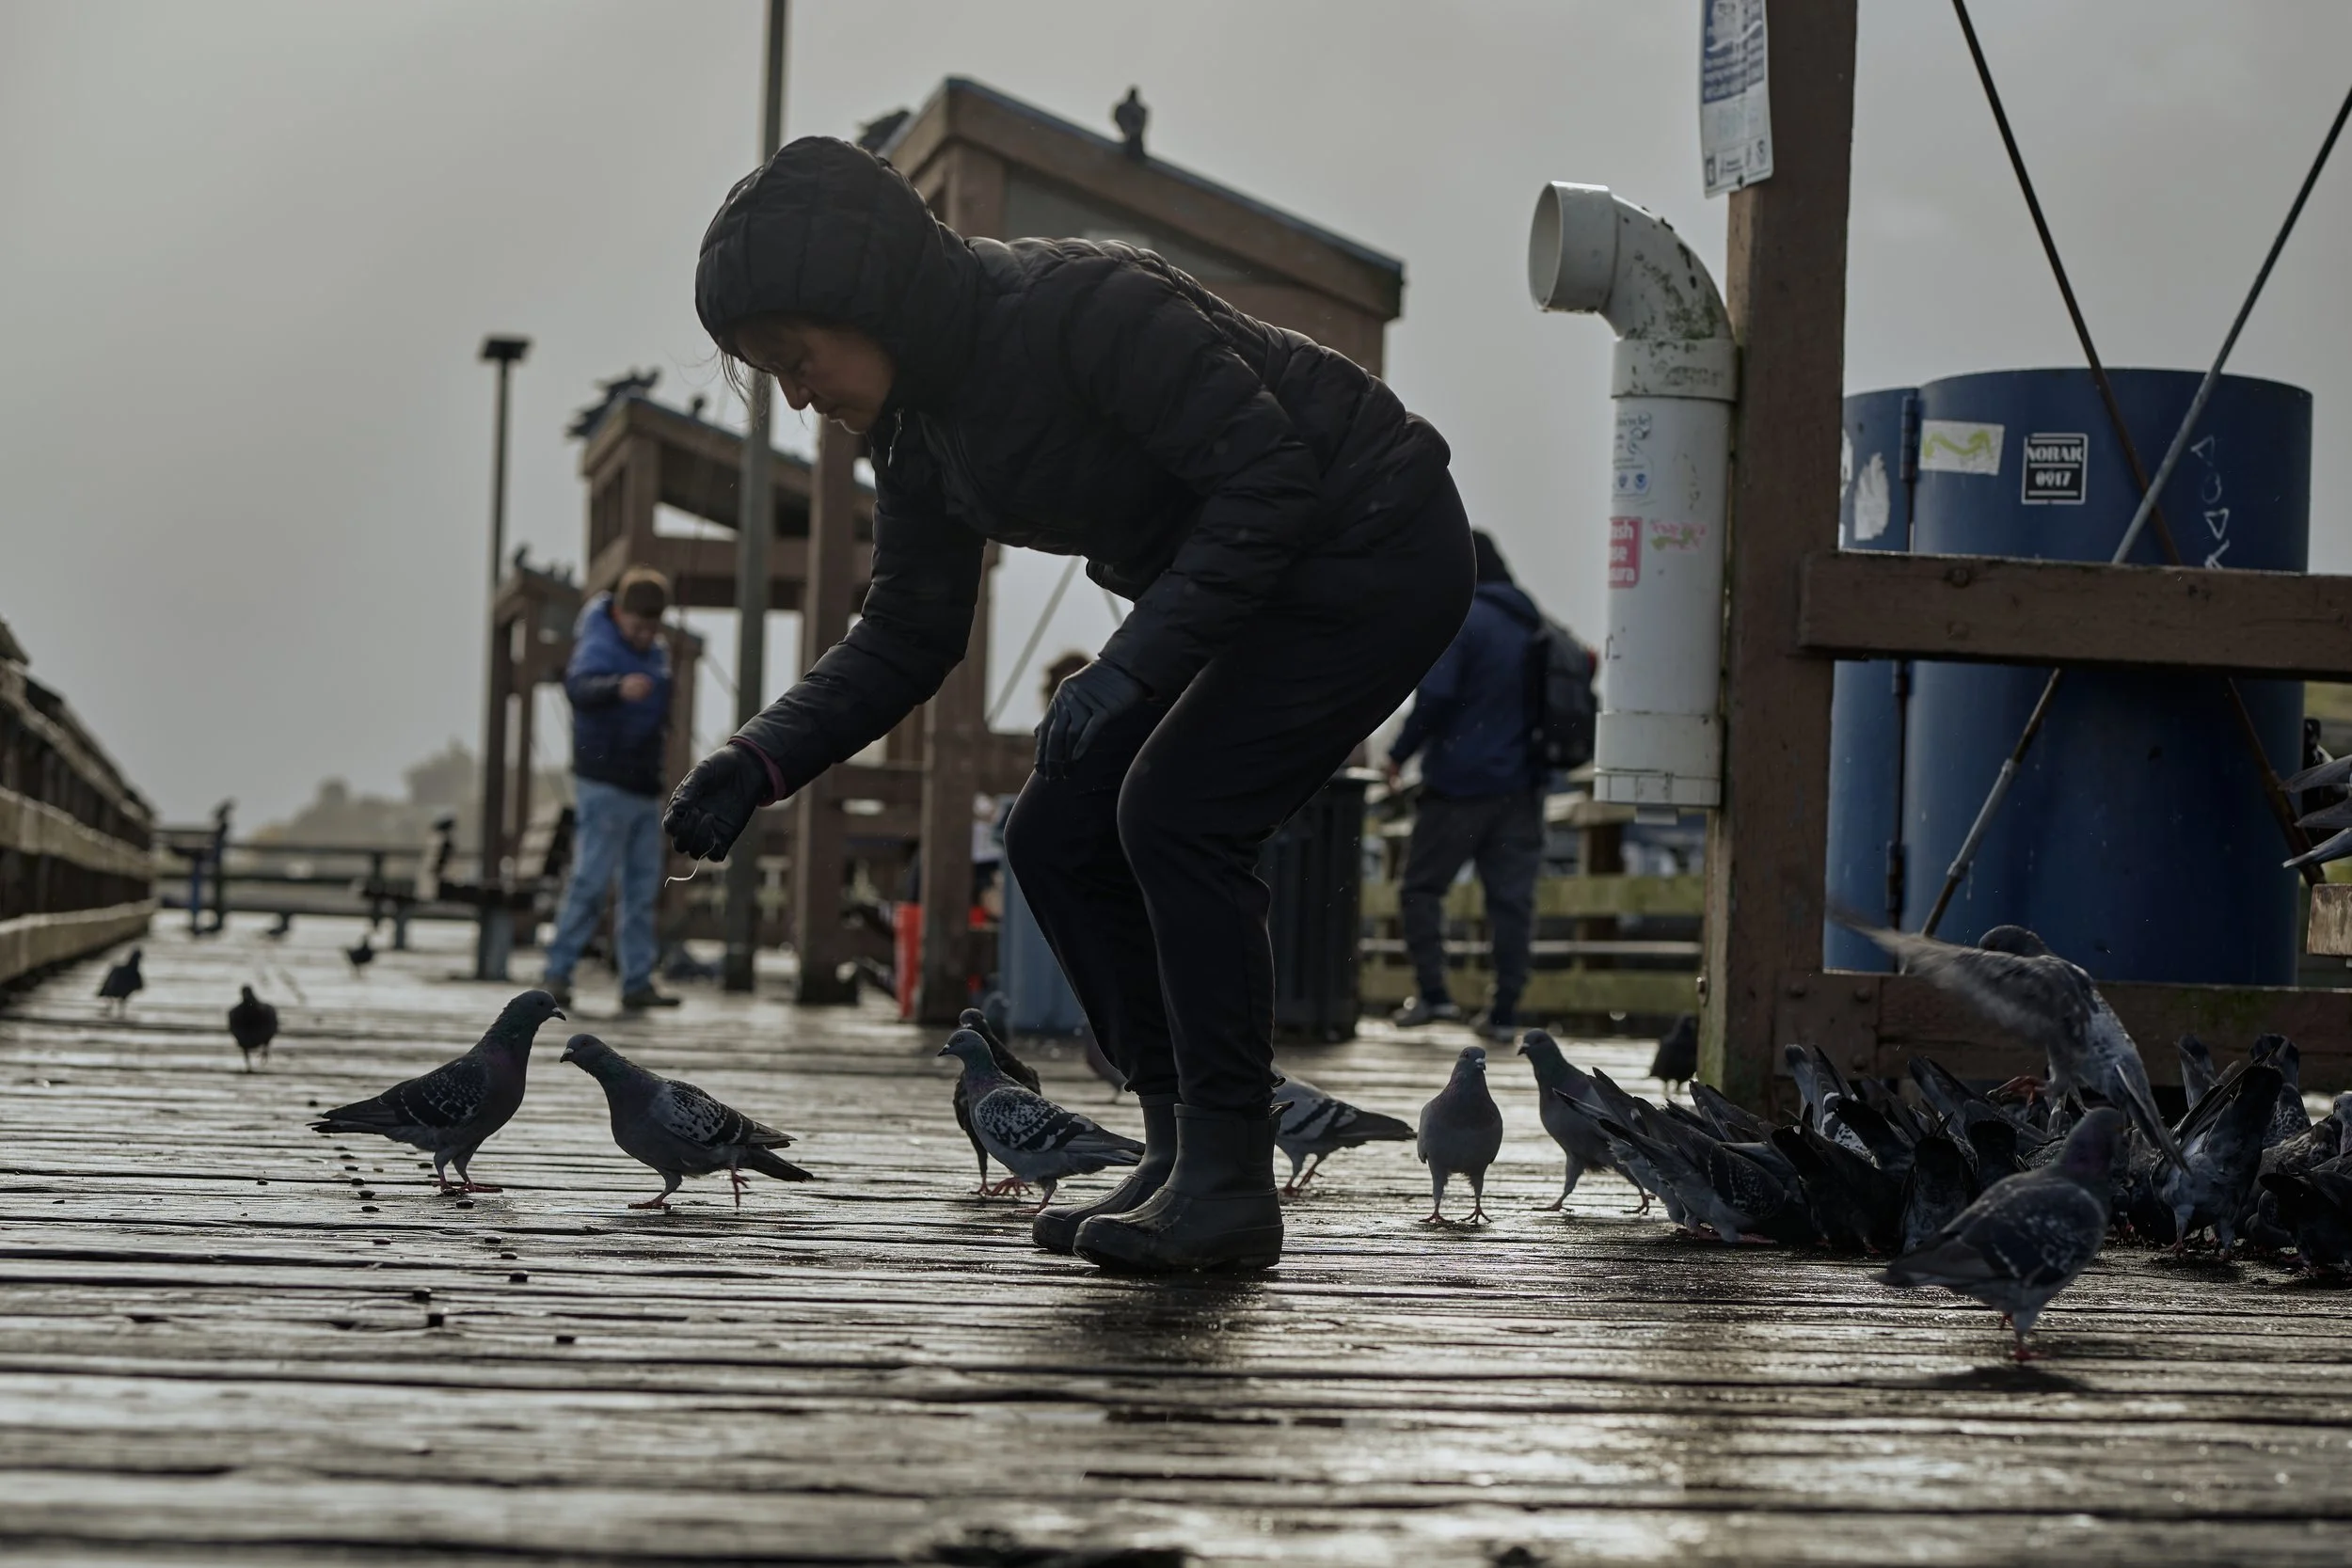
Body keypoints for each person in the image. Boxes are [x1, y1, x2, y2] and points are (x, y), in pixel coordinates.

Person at [661, 136, 1471, 1274]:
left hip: (1372, 544)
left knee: (1178, 814)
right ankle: (1179, 1140)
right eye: (771, 373)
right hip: (1240, 584)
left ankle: (1233, 1180)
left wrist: (1129, 668)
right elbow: (909, 629)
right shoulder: (912, 432)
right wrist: (758, 760)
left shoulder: (1082, 305)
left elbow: (1269, 478)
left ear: (872, 297)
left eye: (795, 357)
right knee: (1052, 830)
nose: (799, 394)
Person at [1385, 531, 1550, 1041]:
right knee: (1511, 902)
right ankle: (1503, 1014)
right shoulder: (1534, 625)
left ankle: (1435, 995)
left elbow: (1435, 696)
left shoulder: (1465, 620)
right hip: (1523, 786)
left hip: (1460, 784)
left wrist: (1398, 755)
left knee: (1421, 888)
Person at [542, 565, 680, 1011]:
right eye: (638, 626)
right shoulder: (598, 643)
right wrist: (618, 687)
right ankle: (557, 973)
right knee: (590, 882)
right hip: (603, 783)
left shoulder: (657, 652)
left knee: (641, 891)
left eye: (652, 628)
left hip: (644, 786)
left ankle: (637, 980)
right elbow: (579, 688)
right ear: (619, 613)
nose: (644, 636)